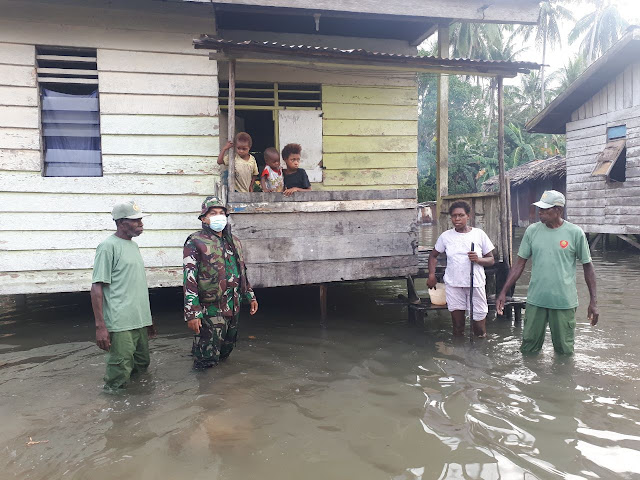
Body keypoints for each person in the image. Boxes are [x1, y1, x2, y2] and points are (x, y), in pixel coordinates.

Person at [497, 190, 599, 355]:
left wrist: (593, 302)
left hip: (564, 302)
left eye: (545, 209)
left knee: (564, 351)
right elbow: (519, 265)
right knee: (528, 349)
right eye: (540, 209)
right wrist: (503, 291)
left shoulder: (575, 233)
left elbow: (588, 267)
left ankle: (563, 380)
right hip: (536, 300)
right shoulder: (532, 231)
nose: (540, 212)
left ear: (559, 210)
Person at [183, 196, 259, 369]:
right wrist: (192, 313)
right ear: (204, 218)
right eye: (213, 213)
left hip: (233, 306)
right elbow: (189, 278)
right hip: (210, 309)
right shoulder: (195, 241)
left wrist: (250, 295)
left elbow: (242, 271)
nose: (218, 217)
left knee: (226, 351)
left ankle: (222, 389)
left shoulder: (234, 241)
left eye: (221, 213)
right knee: (206, 359)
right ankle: (205, 391)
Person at [90, 200, 156, 390]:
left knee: (142, 366)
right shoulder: (107, 246)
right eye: (135, 220)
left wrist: (148, 319)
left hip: (139, 320)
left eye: (141, 219)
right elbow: (96, 287)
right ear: (120, 223)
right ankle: (116, 412)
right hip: (120, 323)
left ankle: (138, 409)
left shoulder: (133, 246)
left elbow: (135, 286)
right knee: (118, 375)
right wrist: (100, 326)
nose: (141, 224)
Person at [427, 200, 495, 337]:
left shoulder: (478, 234)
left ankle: (478, 355)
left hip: (475, 284)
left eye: (461, 215)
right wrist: (431, 275)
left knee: (479, 329)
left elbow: (491, 259)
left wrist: (478, 259)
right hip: (454, 285)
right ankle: (458, 356)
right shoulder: (446, 236)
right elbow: (433, 256)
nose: (457, 219)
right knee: (458, 327)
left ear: (468, 216)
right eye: (454, 216)